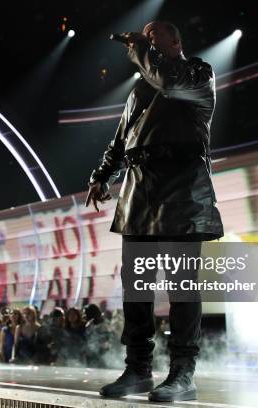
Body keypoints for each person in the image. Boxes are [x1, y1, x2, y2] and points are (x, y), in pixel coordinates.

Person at [86, 21, 223, 402]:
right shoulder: (141, 86)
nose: (145, 39)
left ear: (175, 41)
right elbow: (121, 137)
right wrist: (102, 175)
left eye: (154, 34)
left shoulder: (196, 72)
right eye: (143, 36)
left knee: (181, 286)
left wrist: (140, 51)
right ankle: (138, 368)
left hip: (182, 187)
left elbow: (170, 81)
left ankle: (182, 372)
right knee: (137, 286)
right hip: (139, 190)